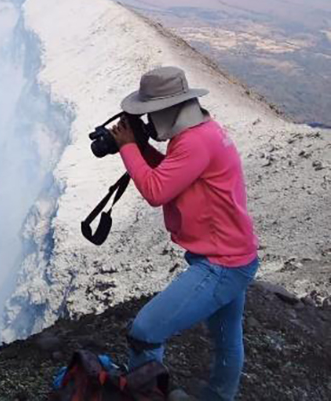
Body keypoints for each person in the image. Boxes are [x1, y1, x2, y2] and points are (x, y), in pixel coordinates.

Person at [110, 66, 259, 401]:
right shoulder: (202, 132)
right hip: (236, 255)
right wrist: (141, 148)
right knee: (225, 338)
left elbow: (156, 190)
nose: (148, 120)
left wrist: (128, 147)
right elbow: (173, 173)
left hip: (221, 263)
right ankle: (219, 397)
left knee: (145, 333)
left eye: (150, 113)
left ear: (166, 109)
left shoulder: (194, 142)